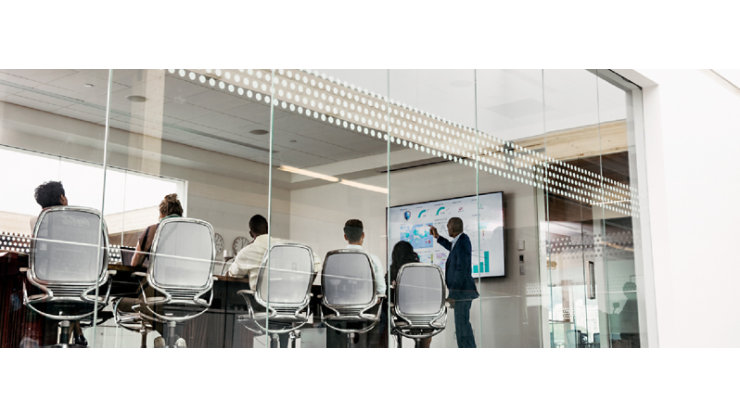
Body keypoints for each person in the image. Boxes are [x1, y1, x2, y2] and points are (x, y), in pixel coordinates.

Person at [228, 214, 321, 347]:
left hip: (262, 305)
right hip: (290, 306)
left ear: (250, 233)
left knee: (233, 317)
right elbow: (317, 262)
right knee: (281, 325)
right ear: (268, 228)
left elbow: (232, 273)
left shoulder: (248, 251)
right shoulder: (283, 245)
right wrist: (306, 287)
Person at [31, 181, 86, 346]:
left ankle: (72, 335)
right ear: (62, 197)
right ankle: (77, 333)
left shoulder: (36, 221)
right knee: (71, 298)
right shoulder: (83, 222)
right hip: (81, 284)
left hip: (47, 283)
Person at [326, 219, 386, 348]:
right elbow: (381, 291)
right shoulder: (372, 259)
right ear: (363, 235)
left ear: (345, 236)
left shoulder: (334, 259)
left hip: (339, 312)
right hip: (364, 312)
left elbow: (328, 288)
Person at [370, 240, 432, 348]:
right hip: (423, 315)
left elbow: (386, 294)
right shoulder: (423, 269)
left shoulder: (393, 271)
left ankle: (380, 346)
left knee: (383, 309)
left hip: (401, 315)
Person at [430, 217, 479, 348]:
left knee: (462, 329)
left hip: (462, 293)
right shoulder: (460, 241)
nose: (447, 228)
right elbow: (451, 247)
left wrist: (454, 293)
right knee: (462, 328)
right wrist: (437, 237)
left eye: (448, 226)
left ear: (452, 227)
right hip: (461, 293)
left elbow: (461, 269)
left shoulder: (463, 241)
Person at [131, 193, 183, 267]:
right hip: (191, 277)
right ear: (180, 213)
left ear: (161, 213)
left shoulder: (152, 230)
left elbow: (135, 263)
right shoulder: (191, 233)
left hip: (160, 277)